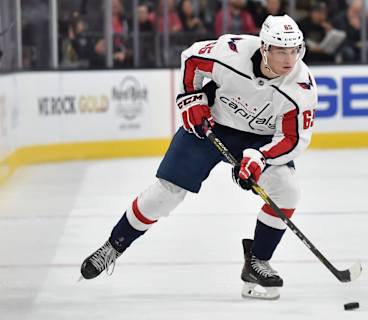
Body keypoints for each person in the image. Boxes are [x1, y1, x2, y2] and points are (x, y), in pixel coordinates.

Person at [80, 14, 317, 300]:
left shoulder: (301, 87)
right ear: (265, 48)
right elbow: (191, 58)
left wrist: (260, 158)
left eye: (294, 50)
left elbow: (293, 139)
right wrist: (192, 99)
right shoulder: (232, 53)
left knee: (288, 191)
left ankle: (257, 261)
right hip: (211, 125)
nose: (289, 59)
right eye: (281, 50)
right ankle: (113, 246)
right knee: (164, 194)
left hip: (258, 139)